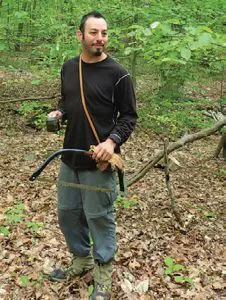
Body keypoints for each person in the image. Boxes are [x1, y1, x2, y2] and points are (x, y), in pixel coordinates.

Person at [48, 11, 137, 300]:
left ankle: (103, 274)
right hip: (69, 157)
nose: (100, 38)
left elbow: (129, 117)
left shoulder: (118, 73)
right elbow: (67, 99)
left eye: (104, 33)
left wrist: (111, 142)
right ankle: (80, 260)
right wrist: (59, 112)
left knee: (99, 217)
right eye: (94, 32)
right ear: (80, 35)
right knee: (67, 214)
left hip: (98, 163)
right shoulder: (69, 67)